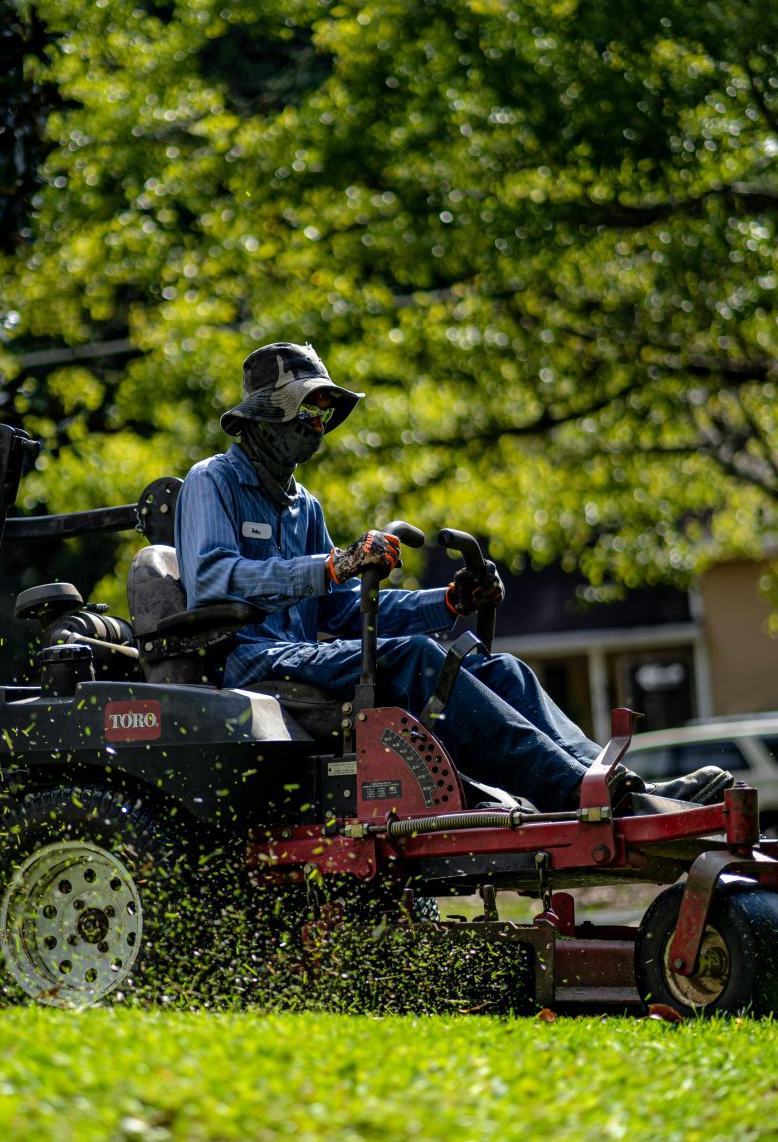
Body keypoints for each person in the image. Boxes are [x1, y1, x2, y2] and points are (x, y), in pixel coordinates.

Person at [175, 341, 731, 813]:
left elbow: (343, 610)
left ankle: (615, 783)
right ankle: (586, 799)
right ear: (266, 417)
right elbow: (212, 578)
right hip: (252, 663)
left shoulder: (306, 506)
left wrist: (447, 602)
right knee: (418, 657)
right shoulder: (212, 481)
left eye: (325, 413)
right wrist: (332, 564)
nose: (318, 427)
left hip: (305, 658)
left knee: (500, 669)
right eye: (307, 412)